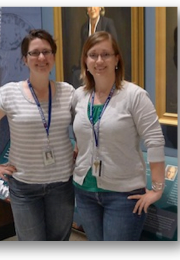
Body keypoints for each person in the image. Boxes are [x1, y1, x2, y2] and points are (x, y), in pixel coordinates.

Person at [0, 29, 75, 241]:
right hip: (24, 186)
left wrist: (78, 151)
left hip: (61, 185)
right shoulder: (9, 93)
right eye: (34, 53)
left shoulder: (68, 92)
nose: (41, 57)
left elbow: (85, 127)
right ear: (24, 59)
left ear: (54, 57)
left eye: (47, 52)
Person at [72, 31, 165, 241]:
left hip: (123, 196)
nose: (99, 60)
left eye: (105, 54)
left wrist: (157, 189)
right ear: (85, 61)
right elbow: (82, 133)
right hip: (84, 191)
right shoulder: (79, 96)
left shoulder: (135, 95)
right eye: (93, 55)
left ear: (116, 59)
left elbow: (155, 141)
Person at [71, 7, 118, 89]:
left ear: (100, 7)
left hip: (104, 64)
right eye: (89, 6)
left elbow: (114, 47)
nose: (92, 9)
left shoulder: (108, 23)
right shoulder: (84, 27)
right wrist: (82, 68)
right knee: (76, 75)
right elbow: (83, 51)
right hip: (89, 65)